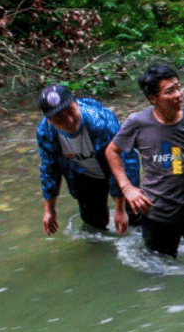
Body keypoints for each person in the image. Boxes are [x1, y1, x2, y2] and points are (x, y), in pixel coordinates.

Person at [106, 64, 184, 258]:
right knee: (158, 272)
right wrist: (127, 187)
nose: (178, 95)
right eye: (170, 91)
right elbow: (111, 151)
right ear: (153, 99)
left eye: (178, 87)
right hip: (157, 215)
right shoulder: (138, 123)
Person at [36, 84, 140, 236]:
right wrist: (49, 210)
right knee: (93, 226)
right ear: (50, 120)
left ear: (76, 104)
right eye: (60, 118)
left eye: (71, 111)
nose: (69, 120)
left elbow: (126, 159)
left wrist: (120, 209)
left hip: (116, 169)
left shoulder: (100, 121)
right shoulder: (46, 131)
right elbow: (49, 170)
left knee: (136, 216)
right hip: (85, 173)